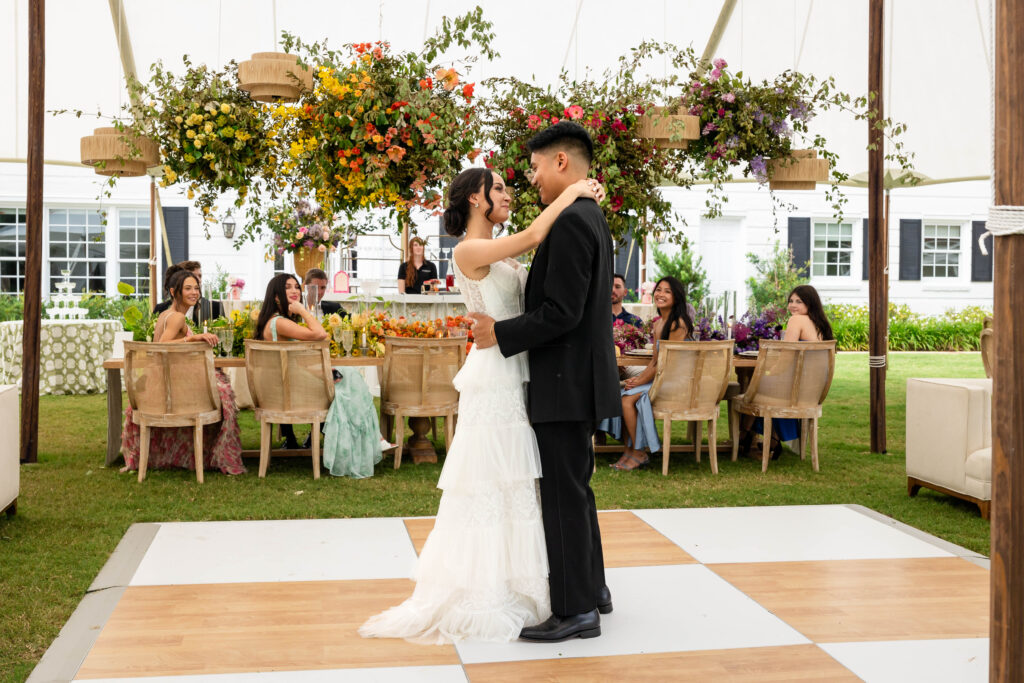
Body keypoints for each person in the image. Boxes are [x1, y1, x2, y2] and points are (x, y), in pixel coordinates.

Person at [360, 159, 605, 644]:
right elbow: (535, 235)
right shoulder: (469, 249)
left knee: (520, 483)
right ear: (475, 198)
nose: (509, 193)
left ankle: (534, 584)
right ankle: (487, 587)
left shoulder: (497, 253)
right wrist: (574, 189)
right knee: (493, 480)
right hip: (495, 375)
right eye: (498, 188)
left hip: (519, 367)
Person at [466, 121, 620, 642]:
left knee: (562, 494)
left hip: (563, 380)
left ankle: (576, 610)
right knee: (576, 490)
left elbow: (561, 312)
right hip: (574, 378)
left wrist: (500, 332)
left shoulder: (575, 220)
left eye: (533, 168)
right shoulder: (587, 215)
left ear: (560, 163)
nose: (530, 180)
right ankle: (592, 589)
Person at [121, 269, 245, 476]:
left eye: (196, 288)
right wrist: (193, 338)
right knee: (224, 394)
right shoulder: (177, 317)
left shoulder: (164, 314)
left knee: (219, 384)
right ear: (173, 291)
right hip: (174, 389)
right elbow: (162, 345)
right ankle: (218, 455)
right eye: (188, 288)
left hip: (161, 386)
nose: (194, 292)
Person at [601, 276, 693, 471]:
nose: (661, 294)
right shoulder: (659, 323)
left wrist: (640, 380)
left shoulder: (678, 324)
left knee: (627, 400)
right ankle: (628, 450)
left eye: (667, 291)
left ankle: (639, 452)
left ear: (676, 297)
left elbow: (668, 364)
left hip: (674, 381)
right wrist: (637, 379)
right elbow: (655, 361)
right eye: (659, 290)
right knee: (619, 394)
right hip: (662, 377)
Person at [739, 284, 834, 458]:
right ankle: (768, 440)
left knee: (753, 390)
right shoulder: (819, 324)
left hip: (795, 390)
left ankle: (745, 436)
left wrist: (770, 371)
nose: (793, 305)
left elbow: (787, 356)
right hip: (811, 391)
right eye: (791, 301)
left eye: (799, 301)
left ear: (810, 303)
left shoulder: (796, 320)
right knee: (764, 387)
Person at [153, 260, 222, 325]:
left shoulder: (215, 308)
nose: (199, 280)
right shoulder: (161, 309)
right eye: (193, 276)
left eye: (200, 276)